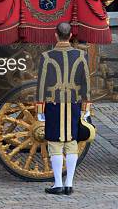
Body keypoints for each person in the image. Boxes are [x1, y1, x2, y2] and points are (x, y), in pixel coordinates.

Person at [36, 22, 90, 195]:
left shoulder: (47, 56)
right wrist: (86, 106)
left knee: (55, 143)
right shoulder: (81, 55)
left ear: (55, 35)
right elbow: (86, 83)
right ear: (71, 34)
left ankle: (58, 183)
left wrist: (39, 108)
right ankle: (69, 183)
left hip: (53, 104)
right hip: (73, 103)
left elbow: (42, 84)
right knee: (71, 142)